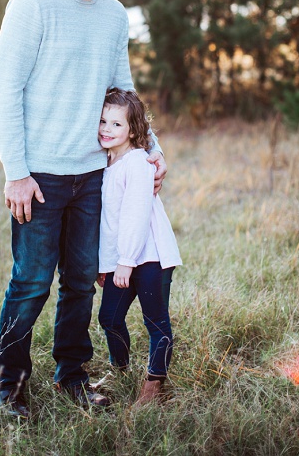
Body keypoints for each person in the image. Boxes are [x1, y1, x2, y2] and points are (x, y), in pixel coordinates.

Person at [0, 0, 167, 418]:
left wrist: (151, 148)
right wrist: (16, 173)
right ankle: (8, 381)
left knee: (82, 279)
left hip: (93, 175)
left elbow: (123, 90)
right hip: (39, 176)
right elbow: (5, 93)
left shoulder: (113, 16)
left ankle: (71, 373)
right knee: (31, 281)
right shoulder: (32, 3)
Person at [96, 88, 181, 405]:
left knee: (156, 321)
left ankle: (153, 385)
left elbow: (134, 215)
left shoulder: (138, 163)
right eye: (103, 121)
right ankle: (119, 370)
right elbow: (109, 222)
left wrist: (126, 261)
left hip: (150, 257)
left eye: (117, 124)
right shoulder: (106, 164)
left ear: (133, 129)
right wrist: (107, 264)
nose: (107, 129)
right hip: (123, 260)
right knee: (110, 318)